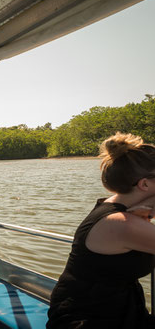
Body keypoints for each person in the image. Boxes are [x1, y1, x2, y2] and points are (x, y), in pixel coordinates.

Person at [47, 133, 155, 328]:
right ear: (144, 184)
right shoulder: (122, 224)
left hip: (115, 311)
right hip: (89, 321)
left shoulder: (114, 208)